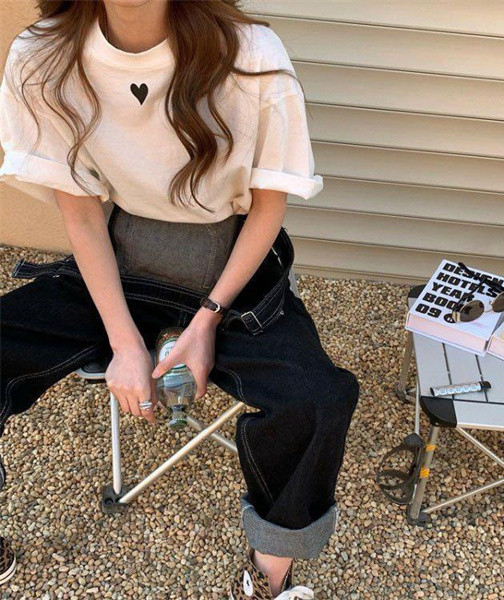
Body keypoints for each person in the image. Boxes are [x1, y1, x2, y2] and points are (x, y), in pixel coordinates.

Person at [0, 1, 360, 597]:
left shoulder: (249, 56)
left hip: (231, 270)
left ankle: (270, 573)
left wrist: (206, 322)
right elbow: (82, 214)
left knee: (317, 399)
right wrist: (124, 343)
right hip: (120, 263)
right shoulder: (44, 55)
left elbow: (268, 206)